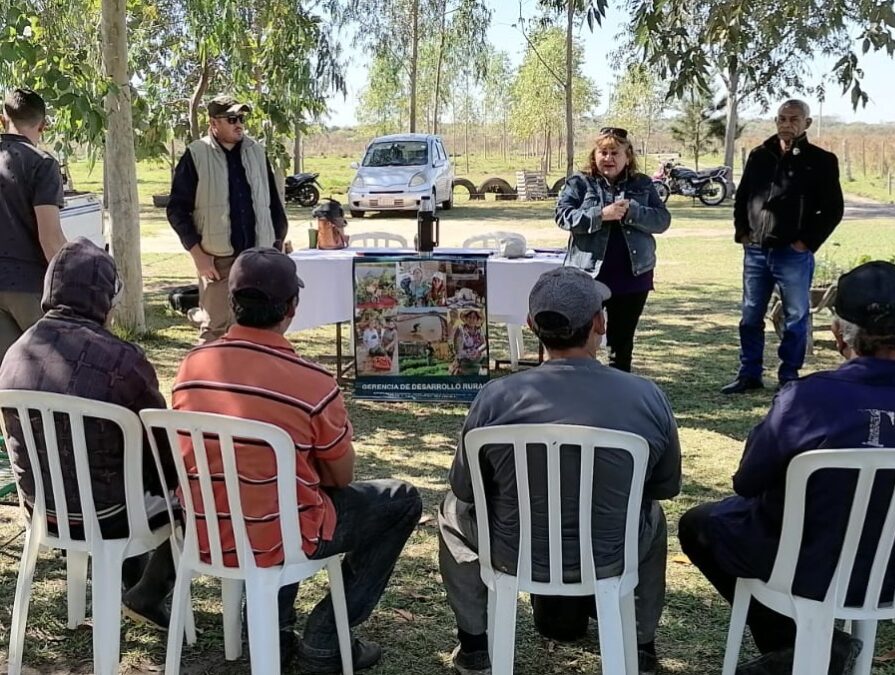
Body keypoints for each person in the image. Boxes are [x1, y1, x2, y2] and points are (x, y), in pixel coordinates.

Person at [680, 262, 895, 675]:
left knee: (700, 523)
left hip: (806, 568)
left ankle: (804, 648)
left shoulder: (810, 400)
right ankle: (812, 649)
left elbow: (747, 481)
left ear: (838, 333)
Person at [171, 247, 422, 672]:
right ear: (292, 308)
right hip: (281, 535)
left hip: (206, 527)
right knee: (401, 501)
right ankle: (326, 636)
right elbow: (341, 477)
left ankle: (273, 630)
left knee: (279, 495)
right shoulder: (313, 384)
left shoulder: (190, 368)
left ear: (232, 303)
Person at [438, 267, 682, 675]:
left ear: (532, 326)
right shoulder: (646, 397)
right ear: (600, 324)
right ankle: (640, 646)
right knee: (652, 516)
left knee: (451, 512)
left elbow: (465, 490)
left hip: (513, 552)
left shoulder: (495, 398)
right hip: (611, 555)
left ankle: (476, 644)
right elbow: (664, 485)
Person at [0, 238, 178, 628]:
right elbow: (162, 454)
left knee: (115, 478)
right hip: (109, 516)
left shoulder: (15, 353)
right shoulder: (123, 361)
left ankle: (132, 582)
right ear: (104, 299)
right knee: (185, 494)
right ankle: (148, 592)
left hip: (43, 512)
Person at [723, 99, 845, 394]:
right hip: (755, 249)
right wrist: (742, 232)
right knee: (751, 314)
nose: (786, 123)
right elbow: (743, 197)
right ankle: (749, 373)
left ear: (807, 123)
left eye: (793, 118)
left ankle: (789, 375)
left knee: (796, 316)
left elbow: (833, 209)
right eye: (781, 118)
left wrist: (806, 242)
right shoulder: (759, 154)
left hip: (792, 253)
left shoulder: (820, 160)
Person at [167, 94, 289, 344]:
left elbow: (274, 206)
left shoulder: (256, 152)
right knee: (215, 330)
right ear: (214, 123)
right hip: (218, 262)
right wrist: (198, 255)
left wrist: (277, 245)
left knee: (260, 331)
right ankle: (207, 381)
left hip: (260, 259)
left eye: (241, 118)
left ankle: (251, 380)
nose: (239, 124)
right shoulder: (196, 154)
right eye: (231, 119)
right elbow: (177, 210)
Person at [556, 127, 671, 372]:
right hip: (587, 275)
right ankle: (581, 389)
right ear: (594, 155)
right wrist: (600, 215)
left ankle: (618, 394)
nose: (608, 158)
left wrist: (634, 212)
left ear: (627, 156)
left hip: (632, 277)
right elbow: (563, 217)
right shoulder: (579, 183)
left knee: (621, 344)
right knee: (579, 340)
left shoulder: (643, 184)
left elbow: (662, 220)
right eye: (603, 152)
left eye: (615, 153)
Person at [0, 87, 67, 365]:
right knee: (49, 375)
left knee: (9, 382)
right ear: (43, 125)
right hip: (31, 286)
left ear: (3, 120)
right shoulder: (42, 163)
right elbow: (50, 239)